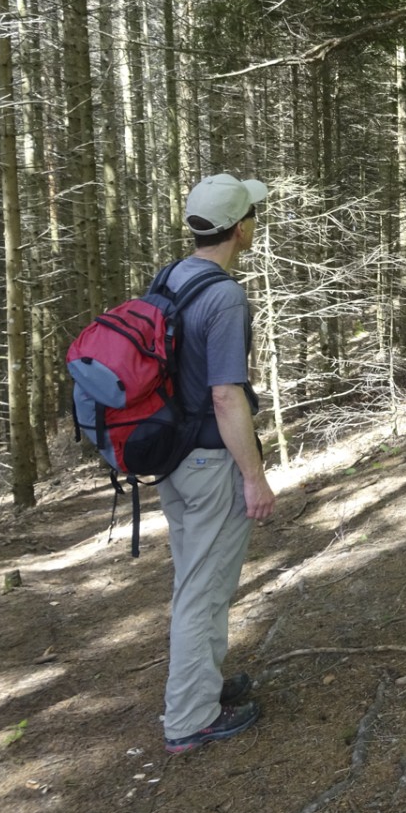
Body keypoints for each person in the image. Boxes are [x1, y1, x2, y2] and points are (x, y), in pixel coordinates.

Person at [158, 173, 277, 754]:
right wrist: (254, 478)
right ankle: (189, 718)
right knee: (203, 592)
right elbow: (226, 395)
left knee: (195, 583)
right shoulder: (225, 295)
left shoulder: (172, 278)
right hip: (210, 462)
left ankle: (203, 688)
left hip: (175, 461)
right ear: (240, 227)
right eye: (252, 215)